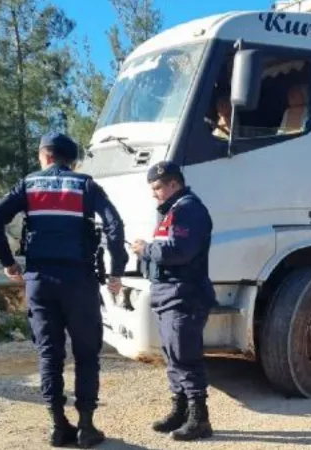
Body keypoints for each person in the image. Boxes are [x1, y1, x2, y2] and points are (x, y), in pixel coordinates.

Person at [0, 132, 128, 449]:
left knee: (49, 354)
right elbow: (114, 225)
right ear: (71, 159)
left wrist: (8, 263)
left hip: (40, 281)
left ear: (45, 156)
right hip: (79, 281)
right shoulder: (86, 185)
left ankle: (57, 425)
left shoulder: (28, 185)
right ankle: (87, 427)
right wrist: (116, 270)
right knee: (87, 354)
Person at [130, 161, 216, 441]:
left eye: (157, 187)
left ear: (174, 184)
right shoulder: (172, 211)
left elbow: (180, 251)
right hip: (169, 295)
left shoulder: (189, 209)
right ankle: (179, 411)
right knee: (173, 356)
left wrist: (146, 249)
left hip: (185, 295)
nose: (154, 193)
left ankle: (199, 419)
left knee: (185, 356)